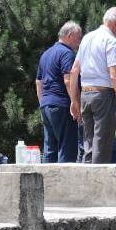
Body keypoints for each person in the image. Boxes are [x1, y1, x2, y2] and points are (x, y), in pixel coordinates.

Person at [69, 7, 116, 164]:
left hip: (85, 94)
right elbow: (114, 75)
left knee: (88, 144)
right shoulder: (111, 41)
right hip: (103, 95)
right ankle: (97, 186)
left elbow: (74, 71)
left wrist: (74, 100)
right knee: (102, 144)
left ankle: (86, 183)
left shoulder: (86, 38)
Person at [35, 21, 82, 163]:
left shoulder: (46, 54)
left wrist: (42, 102)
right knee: (67, 148)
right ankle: (64, 184)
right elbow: (68, 80)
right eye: (78, 38)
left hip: (46, 106)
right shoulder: (67, 53)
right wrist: (75, 104)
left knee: (50, 148)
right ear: (69, 35)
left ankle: (47, 183)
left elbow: (38, 82)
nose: (79, 42)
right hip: (62, 105)